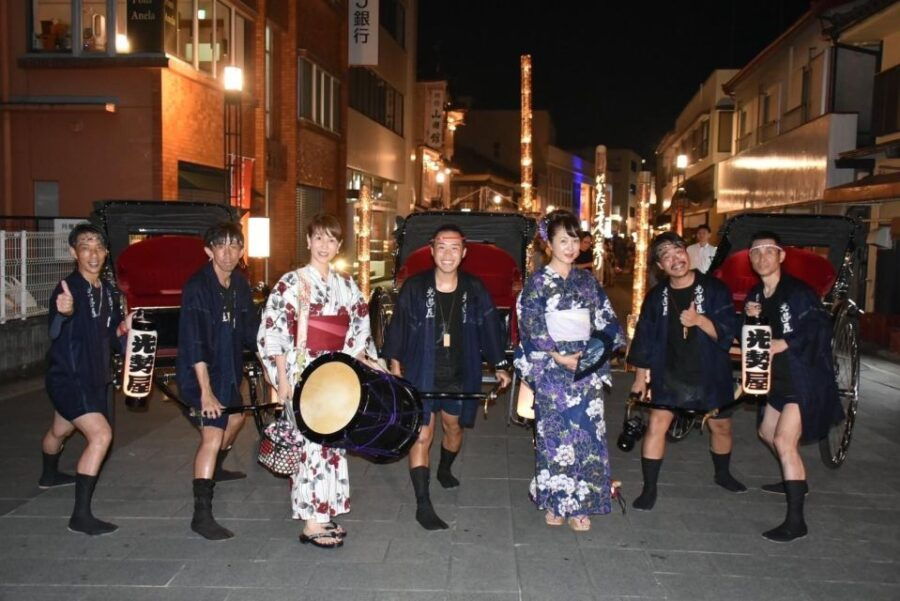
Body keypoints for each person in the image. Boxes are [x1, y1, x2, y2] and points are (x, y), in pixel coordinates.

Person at [258, 213, 376, 549]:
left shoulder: (347, 285)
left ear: (339, 245)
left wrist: (353, 367)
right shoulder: (291, 284)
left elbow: (359, 329)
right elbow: (274, 333)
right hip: (303, 372)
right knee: (310, 445)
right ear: (308, 241)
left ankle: (323, 512)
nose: (324, 246)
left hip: (336, 373)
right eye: (318, 238)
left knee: (333, 444)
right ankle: (310, 522)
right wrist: (281, 379)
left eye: (331, 240)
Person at [383, 224, 511, 530]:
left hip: (459, 370)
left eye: (454, 247)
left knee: (452, 427)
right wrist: (394, 362)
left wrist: (500, 364)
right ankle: (423, 504)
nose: (448, 253)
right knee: (421, 434)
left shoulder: (474, 288)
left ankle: (444, 467)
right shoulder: (414, 286)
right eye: (442, 246)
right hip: (421, 368)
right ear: (431, 250)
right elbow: (398, 326)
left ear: (464, 253)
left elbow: (489, 327)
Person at [514, 210, 624, 532]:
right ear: (548, 243)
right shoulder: (536, 282)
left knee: (589, 436)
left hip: (585, 368)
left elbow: (607, 322)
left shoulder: (588, 281)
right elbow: (530, 323)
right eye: (563, 240)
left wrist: (591, 353)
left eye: (575, 240)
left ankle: (582, 503)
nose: (571, 246)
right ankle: (557, 501)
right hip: (551, 369)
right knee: (554, 438)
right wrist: (558, 355)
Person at [627, 231, 746, 512]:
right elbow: (645, 337)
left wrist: (699, 320)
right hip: (670, 369)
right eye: (665, 256)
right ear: (660, 266)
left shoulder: (715, 289)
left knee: (722, 426)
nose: (674, 259)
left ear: (686, 251)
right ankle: (649, 488)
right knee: (656, 424)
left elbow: (728, 331)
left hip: (709, 369)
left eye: (677, 251)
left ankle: (722, 473)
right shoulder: (657, 297)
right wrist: (640, 378)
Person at [744, 231, 843, 543]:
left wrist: (783, 342)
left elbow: (818, 327)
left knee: (785, 441)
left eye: (768, 251)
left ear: (781, 256)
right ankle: (795, 476)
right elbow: (750, 337)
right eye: (756, 252)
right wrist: (749, 319)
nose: (762, 257)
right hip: (776, 379)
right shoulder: (755, 295)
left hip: (804, 377)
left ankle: (796, 521)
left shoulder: (798, 292)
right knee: (765, 433)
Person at [41, 223, 133, 535]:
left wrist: (124, 329)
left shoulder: (108, 290)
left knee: (60, 430)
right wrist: (63, 313)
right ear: (73, 252)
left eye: (98, 248)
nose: (92, 254)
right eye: (85, 247)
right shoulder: (67, 289)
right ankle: (80, 516)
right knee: (101, 436)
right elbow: (54, 330)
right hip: (69, 375)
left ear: (106, 253)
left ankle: (49, 475)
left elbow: (112, 336)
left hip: (97, 376)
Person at [177, 222, 260, 540]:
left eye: (235, 246)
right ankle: (201, 515)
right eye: (221, 246)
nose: (229, 252)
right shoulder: (197, 286)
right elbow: (195, 341)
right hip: (200, 374)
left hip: (228, 369)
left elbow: (250, 330)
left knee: (237, 419)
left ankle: (217, 467)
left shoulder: (239, 283)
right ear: (208, 250)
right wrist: (206, 393)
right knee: (212, 436)